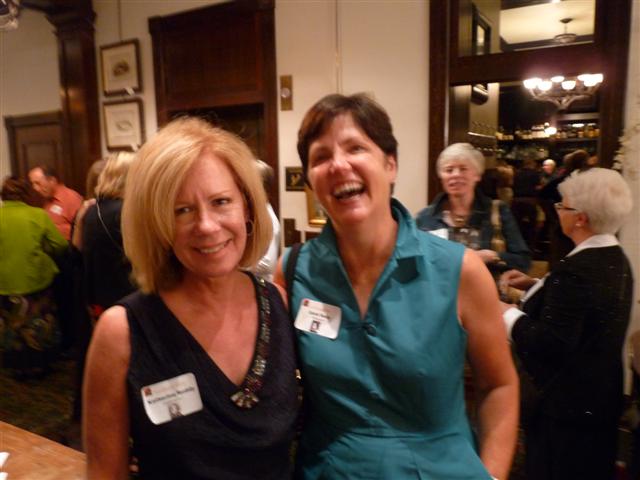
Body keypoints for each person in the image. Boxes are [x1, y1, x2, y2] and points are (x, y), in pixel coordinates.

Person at [275, 94, 518, 480]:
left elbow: (498, 385)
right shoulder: (292, 270)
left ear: (391, 165)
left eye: (355, 148)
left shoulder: (460, 271)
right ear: (310, 182)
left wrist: (492, 475)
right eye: (321, 157)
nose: (338, 164)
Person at [83, 117, 299, 479]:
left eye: (221, 201)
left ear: (247, 208)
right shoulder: (121, 332)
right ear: (158, 224)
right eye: (181, 210)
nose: (207, 226)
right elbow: (106, 471)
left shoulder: (278, 305)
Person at [500, 168, 633, 480]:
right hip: (599, 397)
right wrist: (537, 285)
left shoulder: (575, 271)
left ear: (581, 218)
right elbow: (587, 308)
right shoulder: (615, 257)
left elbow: (550, 343)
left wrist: (505, 313)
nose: (558, 210)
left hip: (565, 409)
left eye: (563, 206)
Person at [416, 142, 531, 272]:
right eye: (449, 170)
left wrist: (492, 256)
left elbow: (523, 262)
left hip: (487, 284)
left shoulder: (497, 211)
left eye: (463, 169)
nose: (455, 174)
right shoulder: (425, 218)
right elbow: (414, 264)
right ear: (441, 177)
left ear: (477, 175)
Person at [0, 177, 68, 378]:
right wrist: (44, 250)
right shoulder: (38, 215)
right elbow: (60, 245)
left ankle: (15, 364)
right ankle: (40, 363)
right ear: (26, 194)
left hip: (5, 282)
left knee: (11, 324)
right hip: (35, 280)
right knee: (39, 323)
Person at [28, 164, 82, 240]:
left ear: (52, 180)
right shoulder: (46, 198)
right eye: (33, 184)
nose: (35, 188)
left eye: (38, 183)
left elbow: (82, 230)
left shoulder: (71, 199)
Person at [251, 159, 281, 281]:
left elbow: (267, 264)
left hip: (261, 285)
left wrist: (235, 265)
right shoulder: (254, 213)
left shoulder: (267, 218)